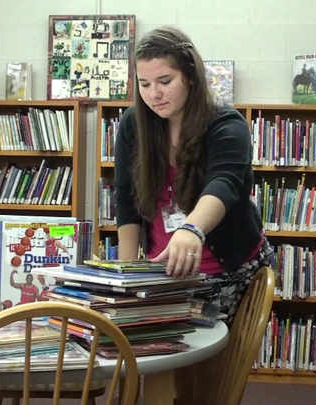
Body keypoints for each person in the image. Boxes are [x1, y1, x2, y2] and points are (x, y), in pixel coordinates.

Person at [113, 25, 273, 326]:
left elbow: (223, 184)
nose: (154, 94)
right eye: (144, 84)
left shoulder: (226, 124)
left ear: (189, 75)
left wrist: (192, 229)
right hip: (163, 272)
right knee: (159, 359)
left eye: (164, 81)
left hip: (228, 270)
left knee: (205, 366)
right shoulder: (134, 124)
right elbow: (126, 198)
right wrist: (127, 272)